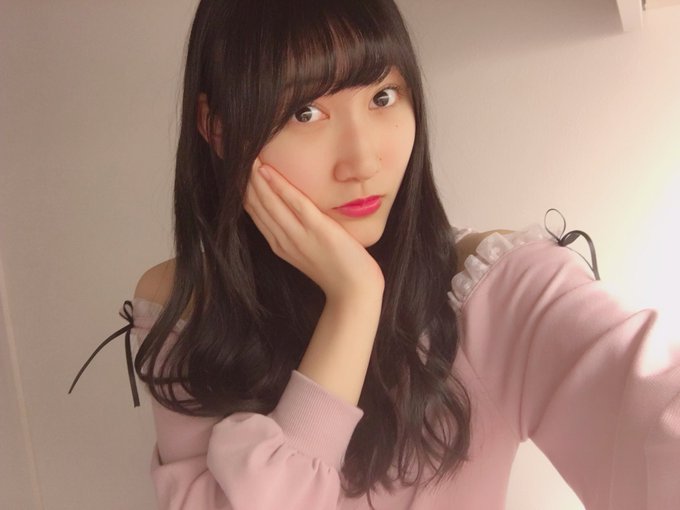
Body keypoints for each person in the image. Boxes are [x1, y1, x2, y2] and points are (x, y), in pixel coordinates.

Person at [68, 0, 680, 508]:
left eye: (383, 97)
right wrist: (354, 302)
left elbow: (652, 409)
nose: (362, 161)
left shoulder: (496, 289)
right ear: (218, 128)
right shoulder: (189, 309)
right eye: (305, 111)